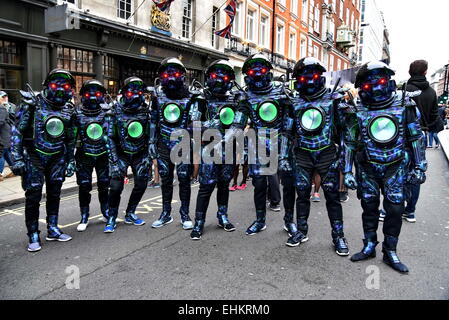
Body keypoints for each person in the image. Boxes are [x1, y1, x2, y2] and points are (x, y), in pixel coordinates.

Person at [343, 61, 427, 273]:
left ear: (388, 81)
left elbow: (416, 137)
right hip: (367, 167)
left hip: (396, 166)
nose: (376, 86)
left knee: (395, 209)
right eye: (370, 82)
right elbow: (350, 141)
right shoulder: (356, 108)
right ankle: (369, 244)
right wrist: (346, 170)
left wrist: (420, 166)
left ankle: (390, 249)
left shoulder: (405, 104)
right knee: (369, 208)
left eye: (380, 80)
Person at [281, 57, 349, 255]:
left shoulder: (334, 100)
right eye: (304, 76)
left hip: (327, 153)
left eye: (313, 76)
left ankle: (338, 236)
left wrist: (344, 159)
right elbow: (287, 132)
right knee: (301, 194)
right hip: (302, 154)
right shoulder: (293, 103)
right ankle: (301, 231)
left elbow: (345, 132)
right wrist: (284, 157)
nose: (309, 80)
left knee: (332, 197)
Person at [10, 69, 77, 252]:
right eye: (56, 85)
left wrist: (71, 159)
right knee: (33, 196)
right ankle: (33, 233)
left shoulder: (68, 109)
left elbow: (70, 138)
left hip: (57, 157)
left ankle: (53, 228)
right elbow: (17, 132)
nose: (61, 90)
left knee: (54, 193)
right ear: (47, 85)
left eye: (66, 86)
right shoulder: (32, 104)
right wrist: (17, 158)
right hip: (34, 156)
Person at [225, 53, 291, 235]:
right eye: (253, 71)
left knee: (289, 184)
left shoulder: (281, 93)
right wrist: (224, 141)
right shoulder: (246, 98)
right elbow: (238, 123)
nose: (257, 75)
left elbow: (288, 123)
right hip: (257, 146)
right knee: (259, 185)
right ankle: (260, 220)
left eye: (260, 70)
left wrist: (286, 150)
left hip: (281, 144)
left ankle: (290, 221)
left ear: (268, 73)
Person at [150, 58, 204, 230]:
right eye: (167, 73)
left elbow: (196, 123)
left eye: (175, 73)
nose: (171, 77)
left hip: (183, 144)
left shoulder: (192, 96)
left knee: (183, 179)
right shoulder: (157, 95)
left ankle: (184, 213)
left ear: (183, 76)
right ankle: (165, 214)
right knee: (165, 179)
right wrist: (151, 141)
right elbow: (153, 120)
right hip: (163, 143)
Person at [190, 60, 238, 240]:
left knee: (224, 185)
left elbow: (240, 122)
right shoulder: (201, 99)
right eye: (215, 74)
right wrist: (213, 123)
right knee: (206, 187)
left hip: (229, 149)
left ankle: (222, 216)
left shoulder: (235, 98)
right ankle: (199, 222)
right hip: (209, 149)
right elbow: (193, 125)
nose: (219, 79)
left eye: (223, 75)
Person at [104, 77, 152, 233]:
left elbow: (150, 135)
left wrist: (147, 157)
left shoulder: (146, 111)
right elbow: (109, 137)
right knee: (115, 187)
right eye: (131, 91)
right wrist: (114, 160)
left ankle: (130, 212)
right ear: (123, 92)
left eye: (139, 91)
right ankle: (112, 217)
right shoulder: (114, 111)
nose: (136, 95)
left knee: (141, 184)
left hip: (140, 153)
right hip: (121, 153)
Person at [403, 60, 440, 222]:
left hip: (402, 136)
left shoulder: (404, 89)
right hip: (421, 135)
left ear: (410, 71)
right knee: (416, 172)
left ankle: (392, 207)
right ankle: (410, 210)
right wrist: (424, 127)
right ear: (425, 72)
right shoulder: (431, 92)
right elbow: (434, 118)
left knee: (398, 172)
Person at [73, 80, 111, 232]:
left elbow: (112, 135)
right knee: (84, 186)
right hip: (84, 155)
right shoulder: (76, 113)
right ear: (83, 96)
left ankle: (106, 211)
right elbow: (70, 137)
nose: (94, 96)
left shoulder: (107, 112)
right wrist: (69, 158)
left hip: (103, 154)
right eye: (89, 93)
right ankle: (84, 215)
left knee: (104, 185)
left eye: (98, 93)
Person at [0, 91, 14, 180]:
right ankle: (15, 169)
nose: (5, 98)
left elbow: (0, 122)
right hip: (6, 134)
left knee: (1, 153)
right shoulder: (3, 107)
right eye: (3, 97)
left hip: (4, 134)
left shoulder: (2, 108)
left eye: (5, 96)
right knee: (6, 153)